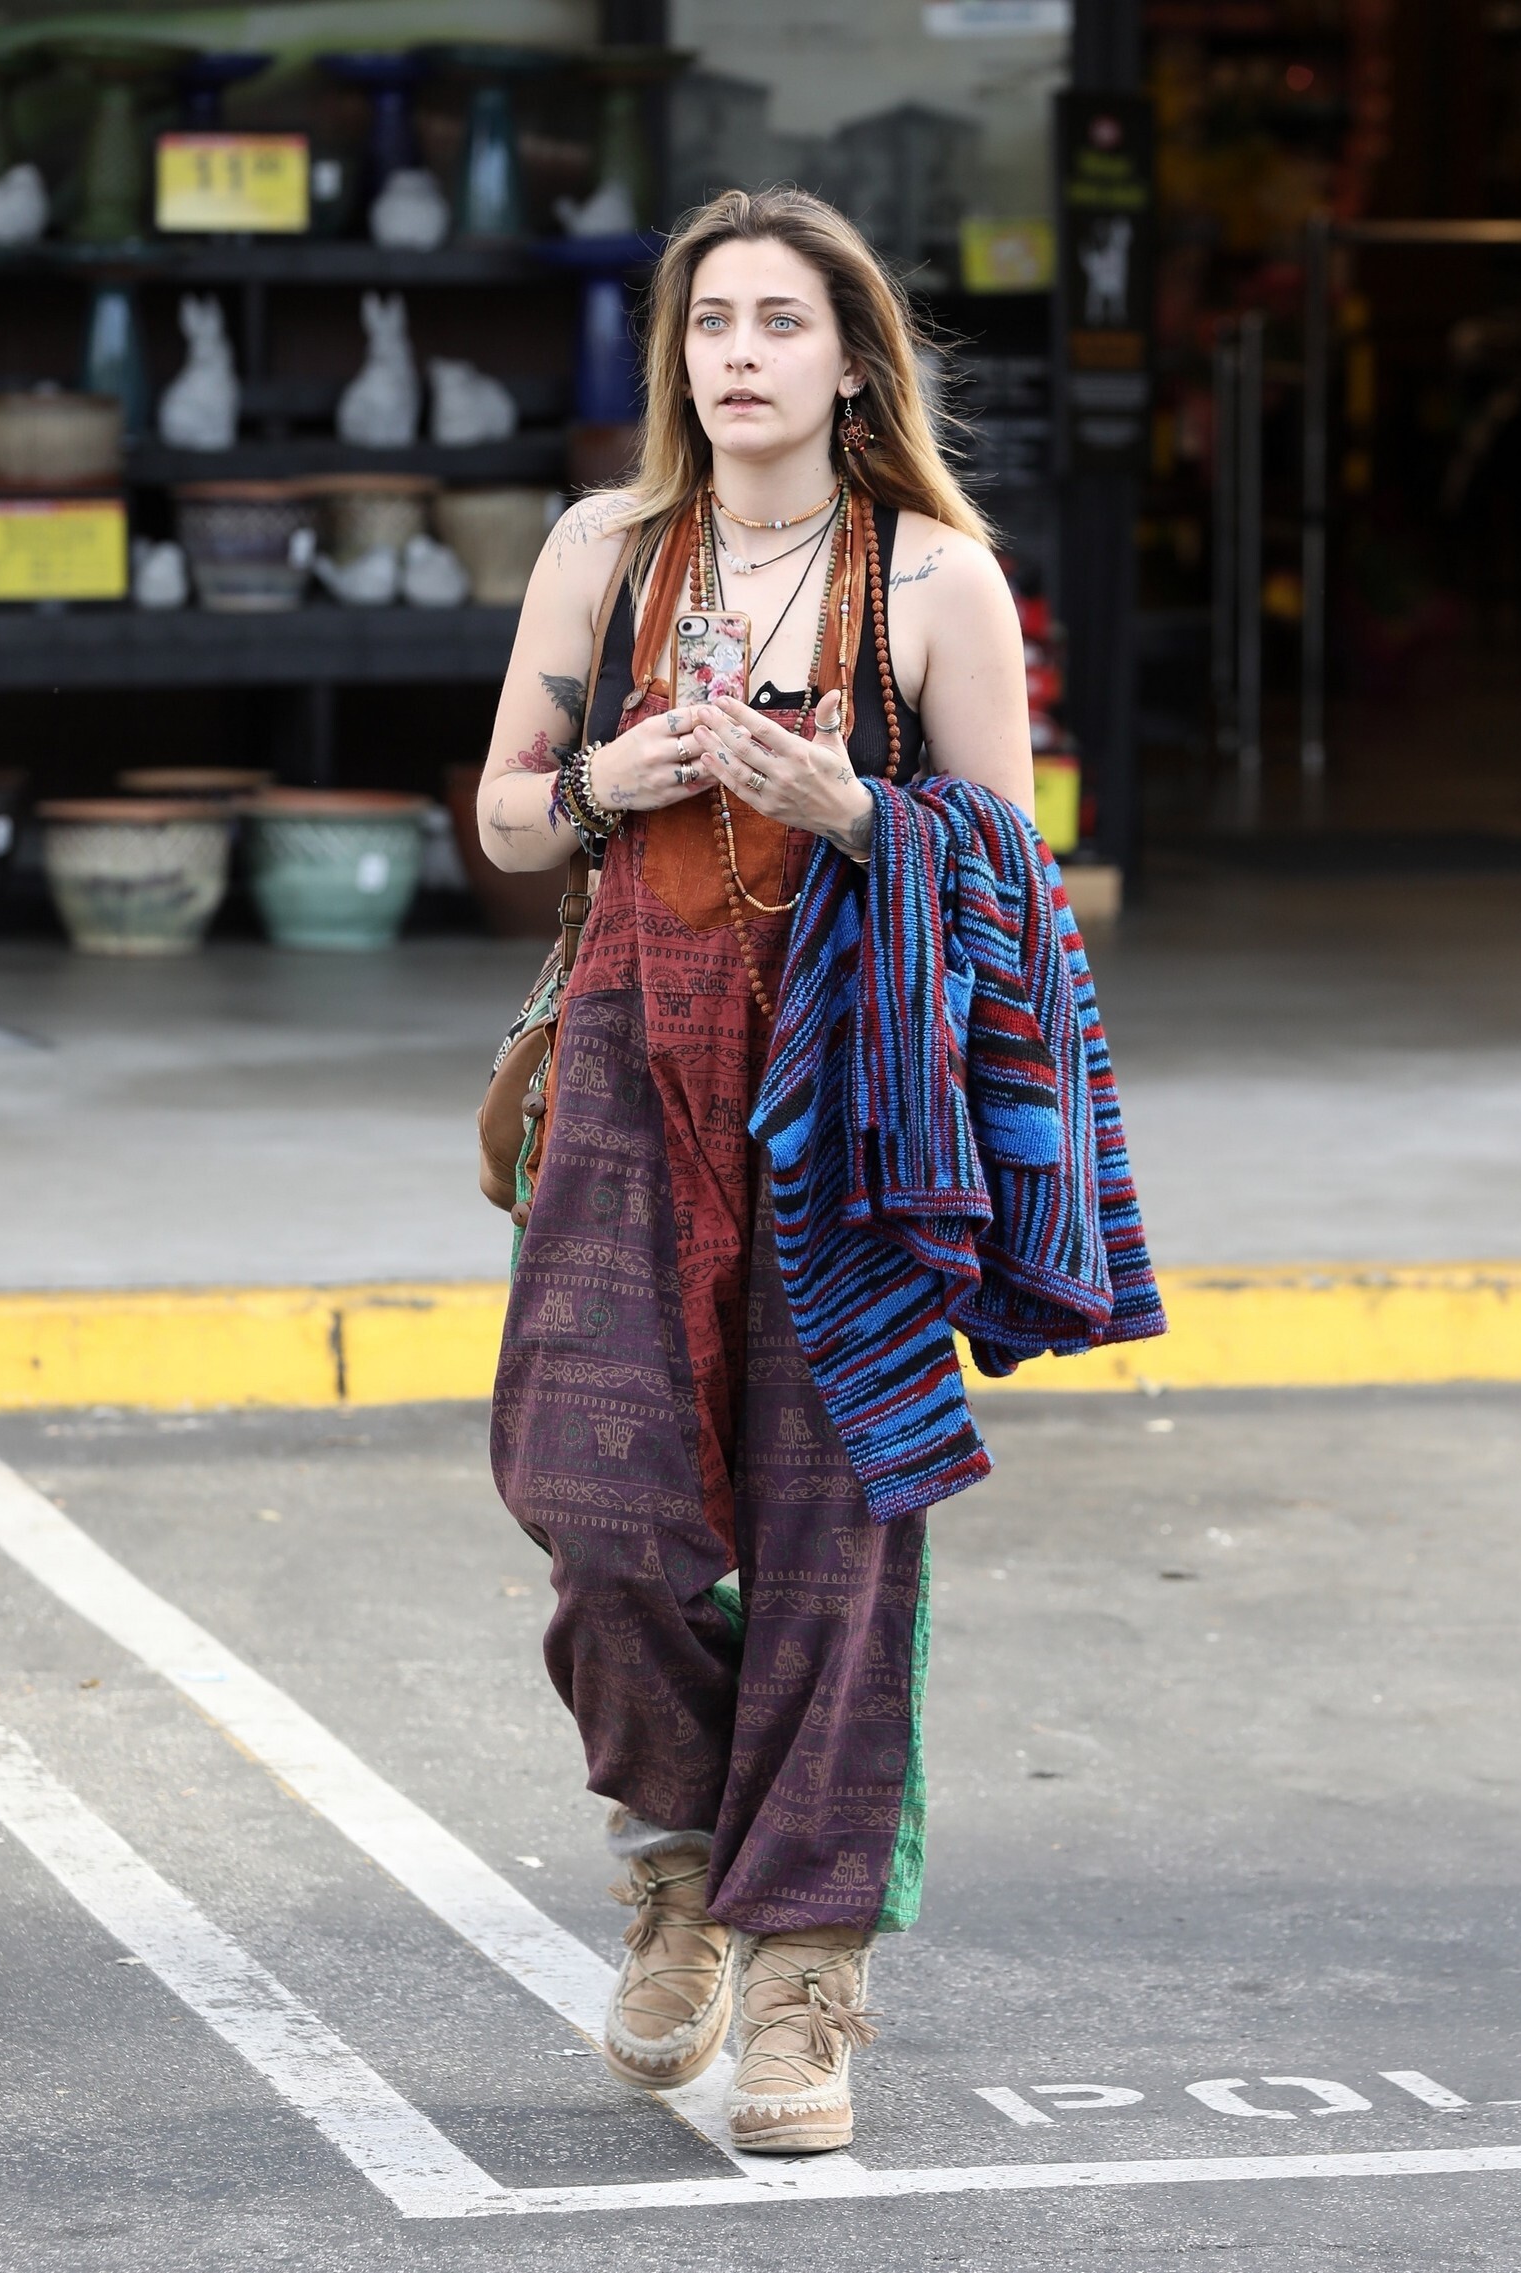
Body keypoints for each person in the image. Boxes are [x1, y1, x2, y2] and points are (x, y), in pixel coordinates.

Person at [477, 185, 1036, 2156]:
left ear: (853, 361)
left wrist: (860, 810)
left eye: (779, 321)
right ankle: (680, 1850)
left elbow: (1016, 877)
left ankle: (802, 1973)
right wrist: (596, 783)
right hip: (633, 1070)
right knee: (593, 1496)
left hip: (853, 1097)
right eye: (710, 321)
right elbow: (503, 815)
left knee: (830, 1525)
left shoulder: (938, 582)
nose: (737, 354)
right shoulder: (605, 551)